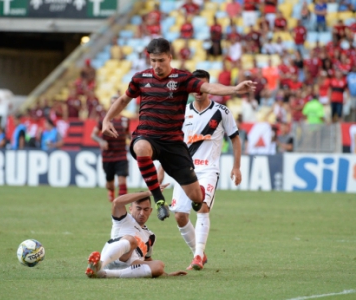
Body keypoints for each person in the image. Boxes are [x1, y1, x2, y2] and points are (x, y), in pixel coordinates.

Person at [101, 38, 255, 221]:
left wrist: (235, 89)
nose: (157, 65)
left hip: (173, 144)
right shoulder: (140, 78)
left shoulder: (182, 78)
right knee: (141, 147)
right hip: (147, 136)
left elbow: (208, 87)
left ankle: (197, 199)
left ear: (170, 57)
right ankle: (159, 201)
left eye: (161, 60)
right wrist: (107, 119)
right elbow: (123, 100)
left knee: (196, 198)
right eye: (153, 61)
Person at [158, 70, 242, 270]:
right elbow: (171, 145)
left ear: (209, 87)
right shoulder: (181, 112)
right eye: (194, 86)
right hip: (184, 170)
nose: (198, 90)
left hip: (208, 170)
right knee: (180, 216)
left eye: (202, 86)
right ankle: (200, 253)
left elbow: (235, 138)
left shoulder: (222, 112)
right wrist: (161, 172)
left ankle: (196, 256)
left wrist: (236, 166)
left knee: (202, 207)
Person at [85, 187, 187, 279]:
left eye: (146, 209)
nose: (142, 213)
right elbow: (117, 202)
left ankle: (104, 274)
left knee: (159, 265)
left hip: (131, 266)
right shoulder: (123, 219)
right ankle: (100, 265)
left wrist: (165, 274)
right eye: (138, 209)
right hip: (113, 259)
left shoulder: (151, 236)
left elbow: (147, 259)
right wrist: (148, 193)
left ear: (150, 211)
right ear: (130, 209)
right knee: (131, 241)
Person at [91, 96, 130, 202]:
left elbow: (127, 134)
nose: (114, 105)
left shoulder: (126, 120)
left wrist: (132, 140)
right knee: (110, 183)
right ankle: (111, 191)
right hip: (108, 156)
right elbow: (93, 135)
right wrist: (101, 141)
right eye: (112, 103)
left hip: (121, 154)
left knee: (122, 180)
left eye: (116, 103)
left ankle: (121, 204)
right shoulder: (104, 120)